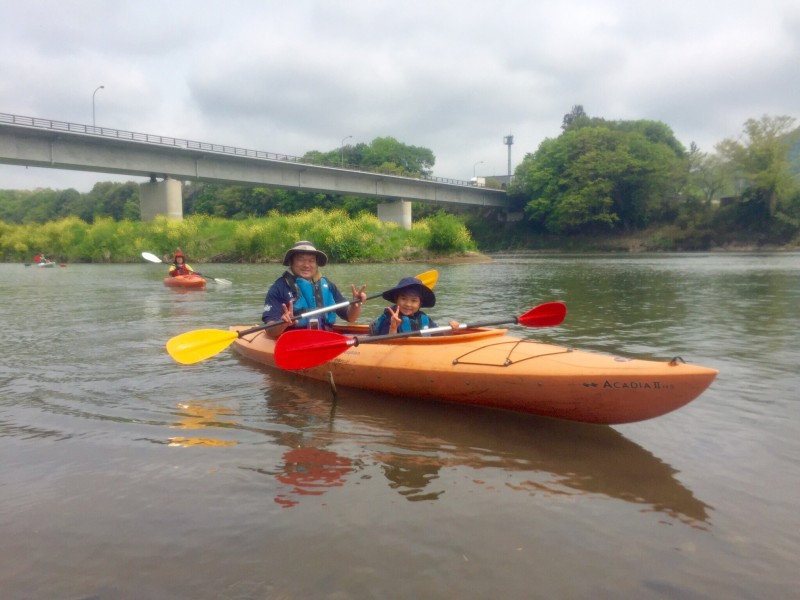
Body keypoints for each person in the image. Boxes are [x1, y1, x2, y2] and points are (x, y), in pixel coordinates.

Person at [262, 241, 367, 339]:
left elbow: (350, 317)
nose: (306, 265)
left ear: (316, 264)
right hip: (293, 341)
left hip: (325, 339)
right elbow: (270, 330)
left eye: (311, 260)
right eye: (301, 259)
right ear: (291, 262)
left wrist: (355, 304)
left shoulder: (328, 285)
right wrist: (283, 323)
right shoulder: (279, 288)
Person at [369, 277, 459, 335]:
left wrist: (451, 328)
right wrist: (393, 327)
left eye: (414, 300)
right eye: (403, 299)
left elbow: (439, 335)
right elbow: (387, 344)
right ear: (397, 300)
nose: (408, 304)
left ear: (420, 304)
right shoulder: (390, 317)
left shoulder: (424, 318)